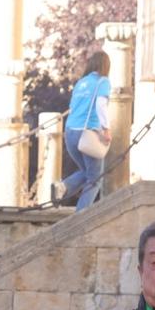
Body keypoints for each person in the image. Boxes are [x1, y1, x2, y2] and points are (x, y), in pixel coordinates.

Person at [54, 50, 112, 211]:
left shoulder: (81, 82)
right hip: (87, 134)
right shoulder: (103, 82)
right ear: (106, 66)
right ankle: (81, 216)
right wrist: (106, 129)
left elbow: (73, 106)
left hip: (70, 131)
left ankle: (63, 187)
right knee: (95, 179)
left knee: (87, 172)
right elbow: (101, 105)